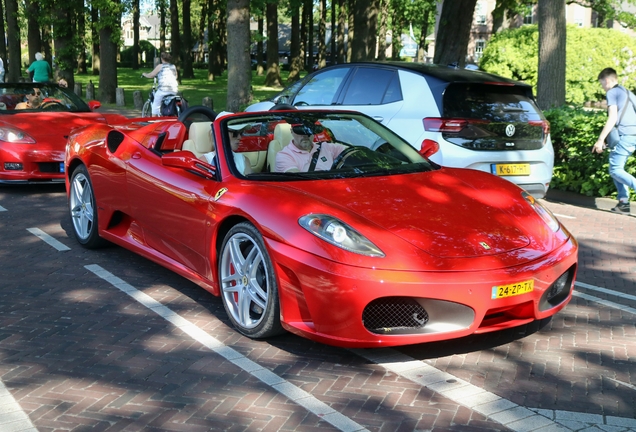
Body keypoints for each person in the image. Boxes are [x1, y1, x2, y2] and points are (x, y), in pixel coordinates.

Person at [592, 67, 636, 214]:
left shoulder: (612, 92)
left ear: (607, 80)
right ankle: (623, 203)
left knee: (616, 170)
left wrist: (600, 139)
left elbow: (613, 118)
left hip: (624, 136)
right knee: (616, 168)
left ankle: (624, 200)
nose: (603, 88)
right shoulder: (628, 93)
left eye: (602, 84)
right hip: (632, 136)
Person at [275, 122, 346, 173]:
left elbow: (352, 154)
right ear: (292, 131)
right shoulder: (284, 156)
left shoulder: (327, 147)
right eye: (300, 131)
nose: (305, 135)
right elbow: (297, 181)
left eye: (309, 131)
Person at [141, 52, 178, 116]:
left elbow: (151, 75)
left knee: (156, 105)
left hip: (163, 90)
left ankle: (153, 120)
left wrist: (144, 74)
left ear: (162, 59)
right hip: (174, 90)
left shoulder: (160, 66)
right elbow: (176, 76)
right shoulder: (173, 66)